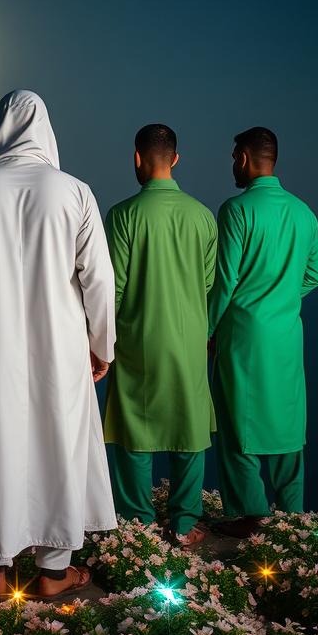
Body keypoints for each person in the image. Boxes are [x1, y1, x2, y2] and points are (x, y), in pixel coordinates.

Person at [0, 89, 116, 599]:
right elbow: (99, 280)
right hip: (61, 345)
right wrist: (101, 344)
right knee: (58, 439)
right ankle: (54, 573)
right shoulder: (75, 192)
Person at [103, 123, 217, 547]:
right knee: (189, 427)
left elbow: (112, 286)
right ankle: (185, 523)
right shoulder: (203, 215)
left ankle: (138, 524)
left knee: (134, 428)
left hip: (137, 340)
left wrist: (99, 341)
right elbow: (208, 283)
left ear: (137, 158)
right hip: (189, 339)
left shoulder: (123, 215)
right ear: (176, 159)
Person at [207, 126, 318, 537]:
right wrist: (283, 296)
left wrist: (206, 329)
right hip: (287, 334)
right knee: (289, 422)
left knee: (239, 423)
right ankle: (293, 517)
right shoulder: (303, 212)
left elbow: (225, 281)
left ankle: (252, 515)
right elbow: (314, 275)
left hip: (243, 332)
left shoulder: (237, 210)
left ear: (242, 157)